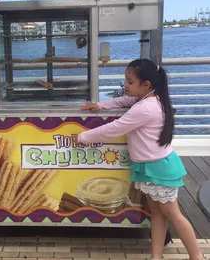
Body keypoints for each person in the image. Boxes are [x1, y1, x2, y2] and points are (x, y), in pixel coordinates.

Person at [77, 59, 203, 260]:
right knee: (157, 214)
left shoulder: (145, 108)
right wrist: (100, 105)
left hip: (159, 168)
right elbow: (123, 101)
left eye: (129, 81)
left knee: (173, 215)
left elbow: (115, 128)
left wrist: (83, 137)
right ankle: (156, 256)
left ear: (146, 84)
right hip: (148, 166)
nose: (125, 85)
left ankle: (197, 256)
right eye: (125, 80)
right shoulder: (148, 99)